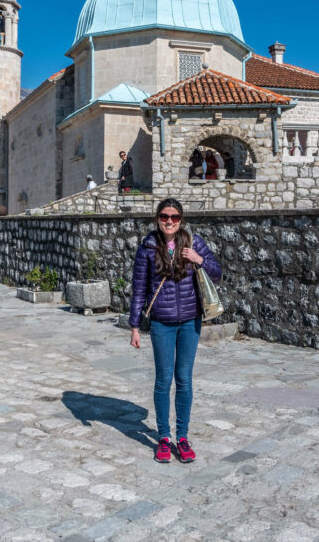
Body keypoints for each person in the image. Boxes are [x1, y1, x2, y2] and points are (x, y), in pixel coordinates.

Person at [128, 198, 222, 464]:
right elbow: (139, 290)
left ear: (182, 219)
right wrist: (134, 326)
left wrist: (199, 259)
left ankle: (182, 437)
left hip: (190, 321)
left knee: (184, 379)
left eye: (175, 217)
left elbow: (218, 274)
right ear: (157, 218)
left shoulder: (194, 242)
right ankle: (164, 438)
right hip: (161, 322)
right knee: (163, 380)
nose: (169, 221)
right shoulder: (148, 246)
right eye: (164, 216)